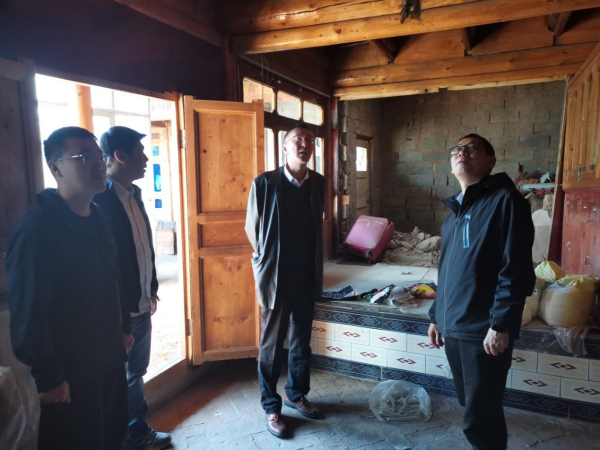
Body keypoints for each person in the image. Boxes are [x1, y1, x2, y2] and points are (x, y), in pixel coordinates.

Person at [7, 126, 130, 450]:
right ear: (56, 167)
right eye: (84, 156)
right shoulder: (36, 231)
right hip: (71, 373)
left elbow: (111, 279)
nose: (98, 163)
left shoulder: (99, 217)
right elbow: (28, 312)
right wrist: (49, 377)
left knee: (112, 436)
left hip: (109, 359)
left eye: (99, 156)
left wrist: (124, 327)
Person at [428, 134, 535, 450]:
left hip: (483, 329)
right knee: (472, 404)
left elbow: (515, 268)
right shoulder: (453, 216)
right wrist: (436, 316)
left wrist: (501, 323)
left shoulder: (505, 201)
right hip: (454, 325)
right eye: (457, 149)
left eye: (471, 147)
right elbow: (446, 271)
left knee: (481, 415)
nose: (462, 151)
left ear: (490, 161)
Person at [245, 123, 326, 438]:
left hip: (306, 273)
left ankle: (296, 393)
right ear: (285, 146)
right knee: (271, 344)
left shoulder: (318, 182)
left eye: (310, 140)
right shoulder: (265, 182)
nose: (304, 144)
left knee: (301, 339)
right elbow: (252, 229)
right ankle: (271, 406)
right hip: (276, 276)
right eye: (298, 139)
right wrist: (265, 259)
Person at [94, 126, 171, 450]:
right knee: (120, 375)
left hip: (141, 302)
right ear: (120, 156)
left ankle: (132, 431)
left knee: (136, 371)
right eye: (141, 153)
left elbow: (142, 247)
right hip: (118, 311)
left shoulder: (134, 194)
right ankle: (130, 434)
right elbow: (105, 263)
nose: (146, 160)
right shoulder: (99, 201)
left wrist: (150, 288)